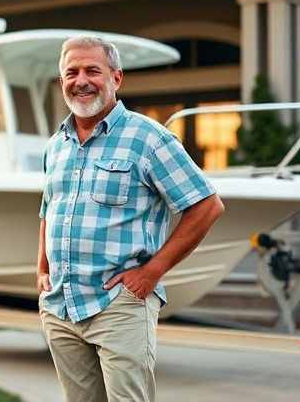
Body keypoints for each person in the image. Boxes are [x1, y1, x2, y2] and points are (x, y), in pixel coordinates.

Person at [37, 36, 225, 401]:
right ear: (62, 82)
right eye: (71, 72)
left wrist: (152, 273)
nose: (81, 80)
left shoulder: (149, 138)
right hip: (61, 306)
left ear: (116, 78)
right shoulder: (55, 145)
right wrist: (42, 269)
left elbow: (207, 206)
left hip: (119, 307)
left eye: (93, 70)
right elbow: (49, 208)